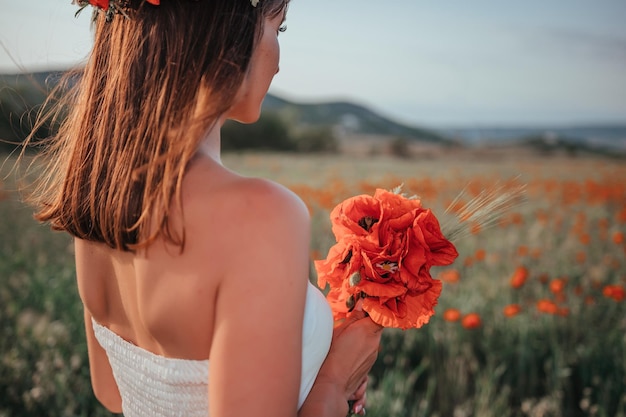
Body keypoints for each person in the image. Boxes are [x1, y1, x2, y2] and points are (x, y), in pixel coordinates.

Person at [22, 0, 383, 416]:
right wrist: (335, 381)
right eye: (277, 29)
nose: (280, 63)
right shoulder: (263, 217)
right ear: (223, 30)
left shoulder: (102, 200)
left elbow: (115, 393)